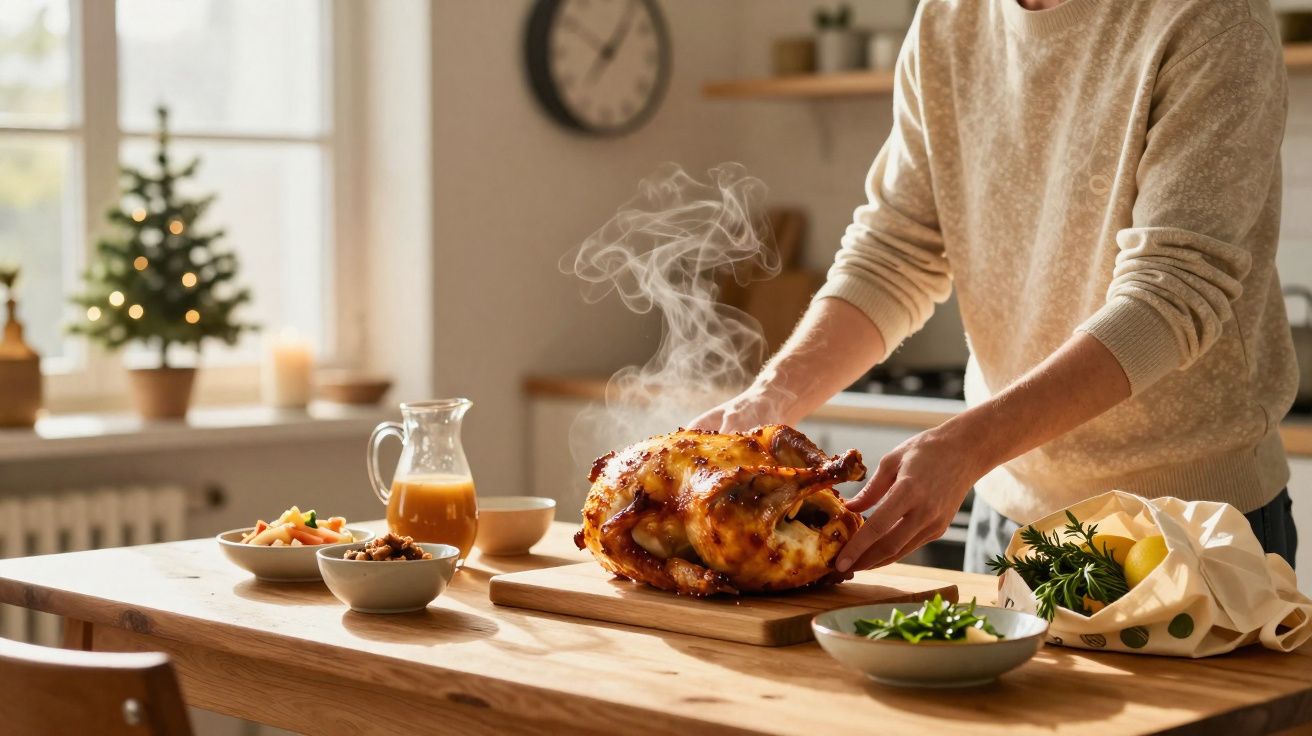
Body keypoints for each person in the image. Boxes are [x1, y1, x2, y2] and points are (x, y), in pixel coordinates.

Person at [692, 0, 1299, 573]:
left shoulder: (1211, 20)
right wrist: (768, 401)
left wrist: (966, 445)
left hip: (1183, 524)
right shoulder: (949, 17)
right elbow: (894, 252)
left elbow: (1170, 295)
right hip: (1006, 512)